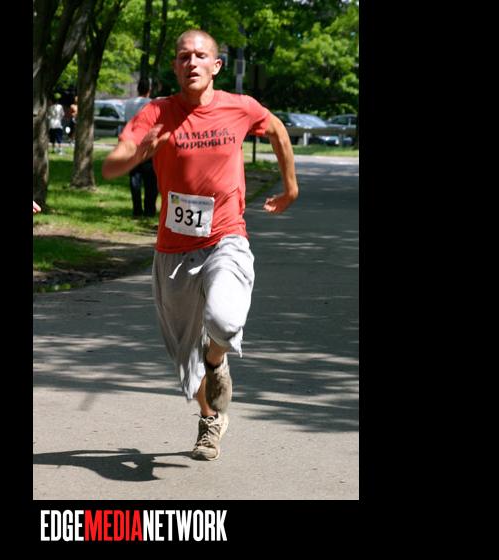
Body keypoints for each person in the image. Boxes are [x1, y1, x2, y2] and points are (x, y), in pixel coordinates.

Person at [102, 30, 298, 461]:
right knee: (184, 355)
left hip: (226, 236)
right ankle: (211, 421)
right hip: (173, 250)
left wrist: (290, 188)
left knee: (224, 321)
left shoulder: (239, 107)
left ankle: (217, 358)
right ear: (175, 67)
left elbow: (278, 130)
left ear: (216, 66)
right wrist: (139, 153)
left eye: (200, 55)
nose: (191, 62)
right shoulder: (157, 112)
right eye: (183, 57)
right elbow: (111, 167)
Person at [123, 78, 158, 217]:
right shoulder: (153, 104)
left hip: (132, 144)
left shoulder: (129, 103)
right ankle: (149, 210)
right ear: (149, 89)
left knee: (135, 177)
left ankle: (137, 209)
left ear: (138, 89)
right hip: (148, 145)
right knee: (151, 180)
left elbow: (126, 122)